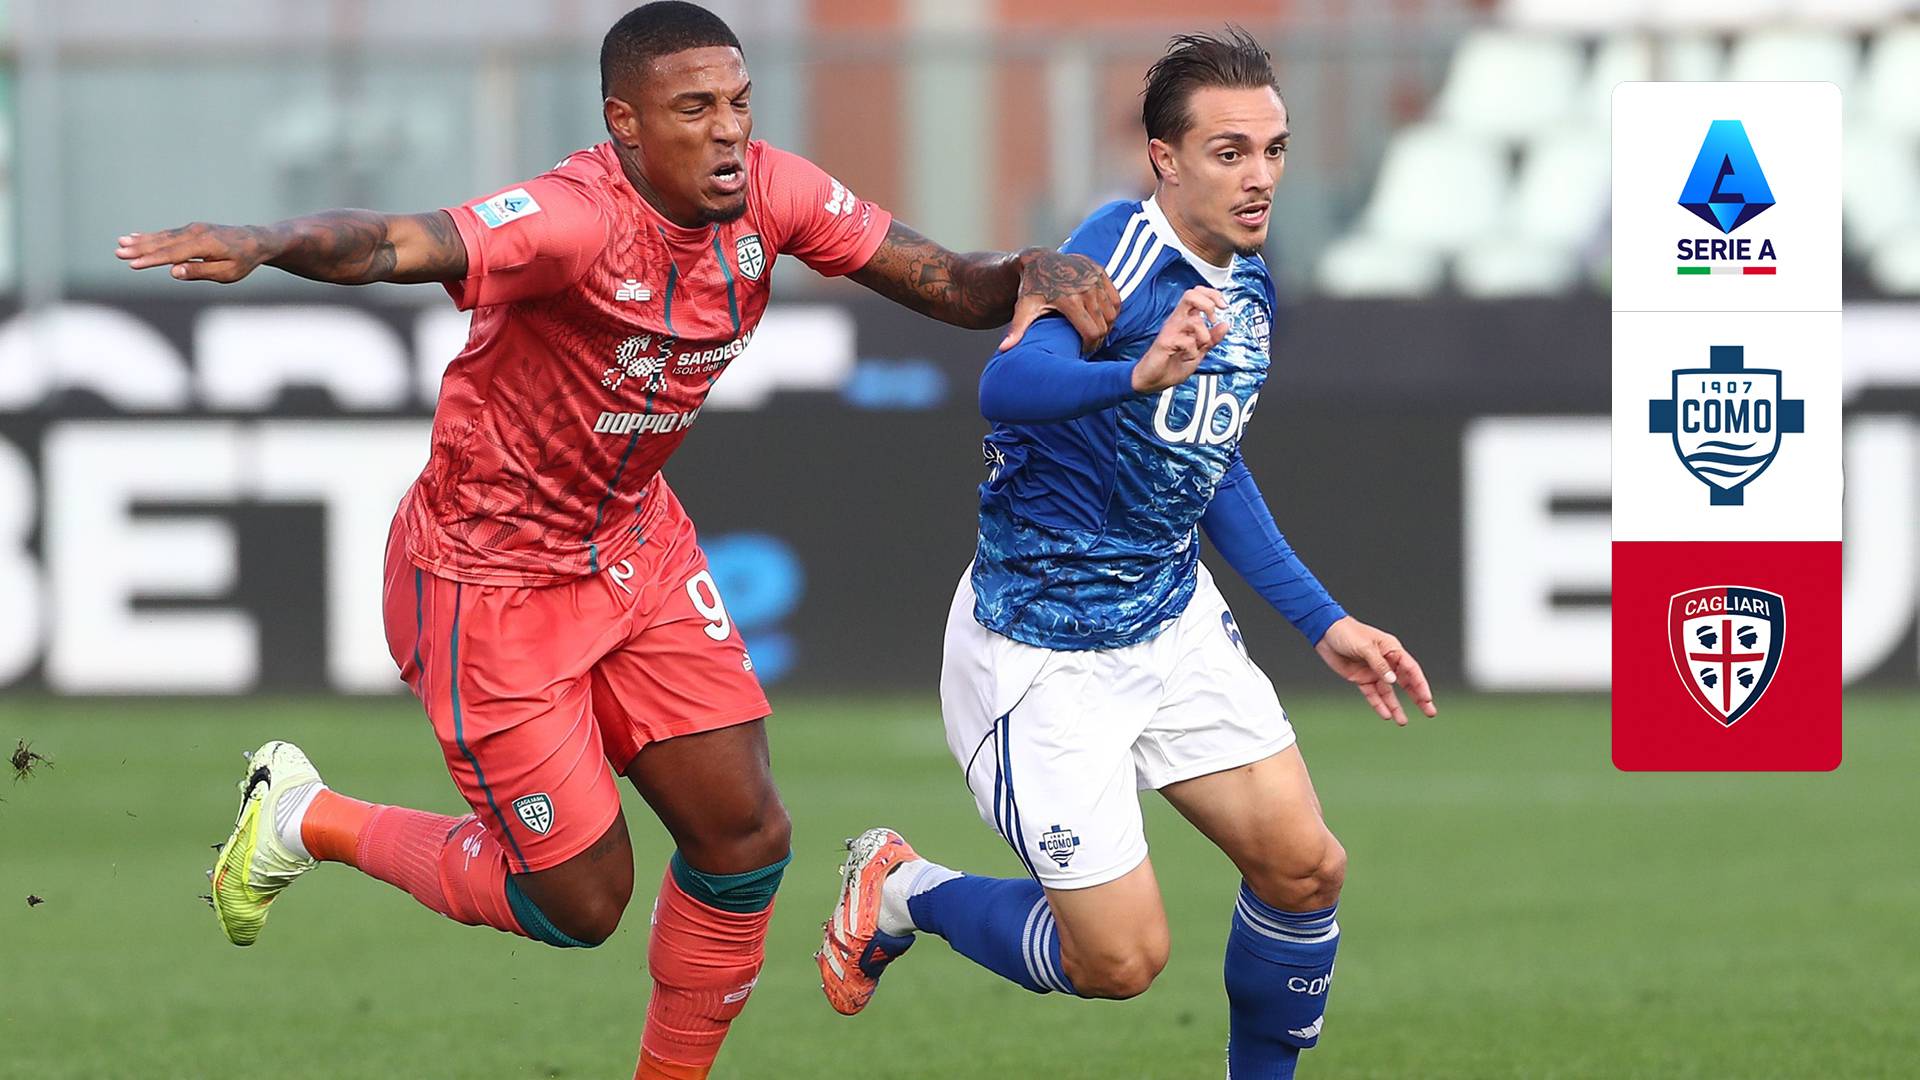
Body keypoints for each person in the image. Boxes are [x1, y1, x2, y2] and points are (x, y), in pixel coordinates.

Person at [117, 4, 1118, 1078]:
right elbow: (401, 242)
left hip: (636, 547)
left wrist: (1030, 269)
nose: (728, 130)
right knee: (581, 903)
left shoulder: (774, 192)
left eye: (738, 102)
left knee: (745, 840)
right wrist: (269, 242)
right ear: (625, 124)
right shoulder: (572, 219)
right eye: (695, 109)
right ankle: (308, 818)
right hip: (486, 580)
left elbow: (951, 283)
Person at [816, 28, 1436, 1079]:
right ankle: (905, 889)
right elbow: (1008, 383)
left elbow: (1207, 465)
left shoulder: (1248, 285)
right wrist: (1135, 375)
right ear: (1165, 158)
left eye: (1274, 149)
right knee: (1120, 961)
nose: (1260, 176)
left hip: (1171, 623)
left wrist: (1321, 619)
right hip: (1042, 656)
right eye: (1229, 152)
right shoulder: (1113, 252)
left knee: (1304, 870)